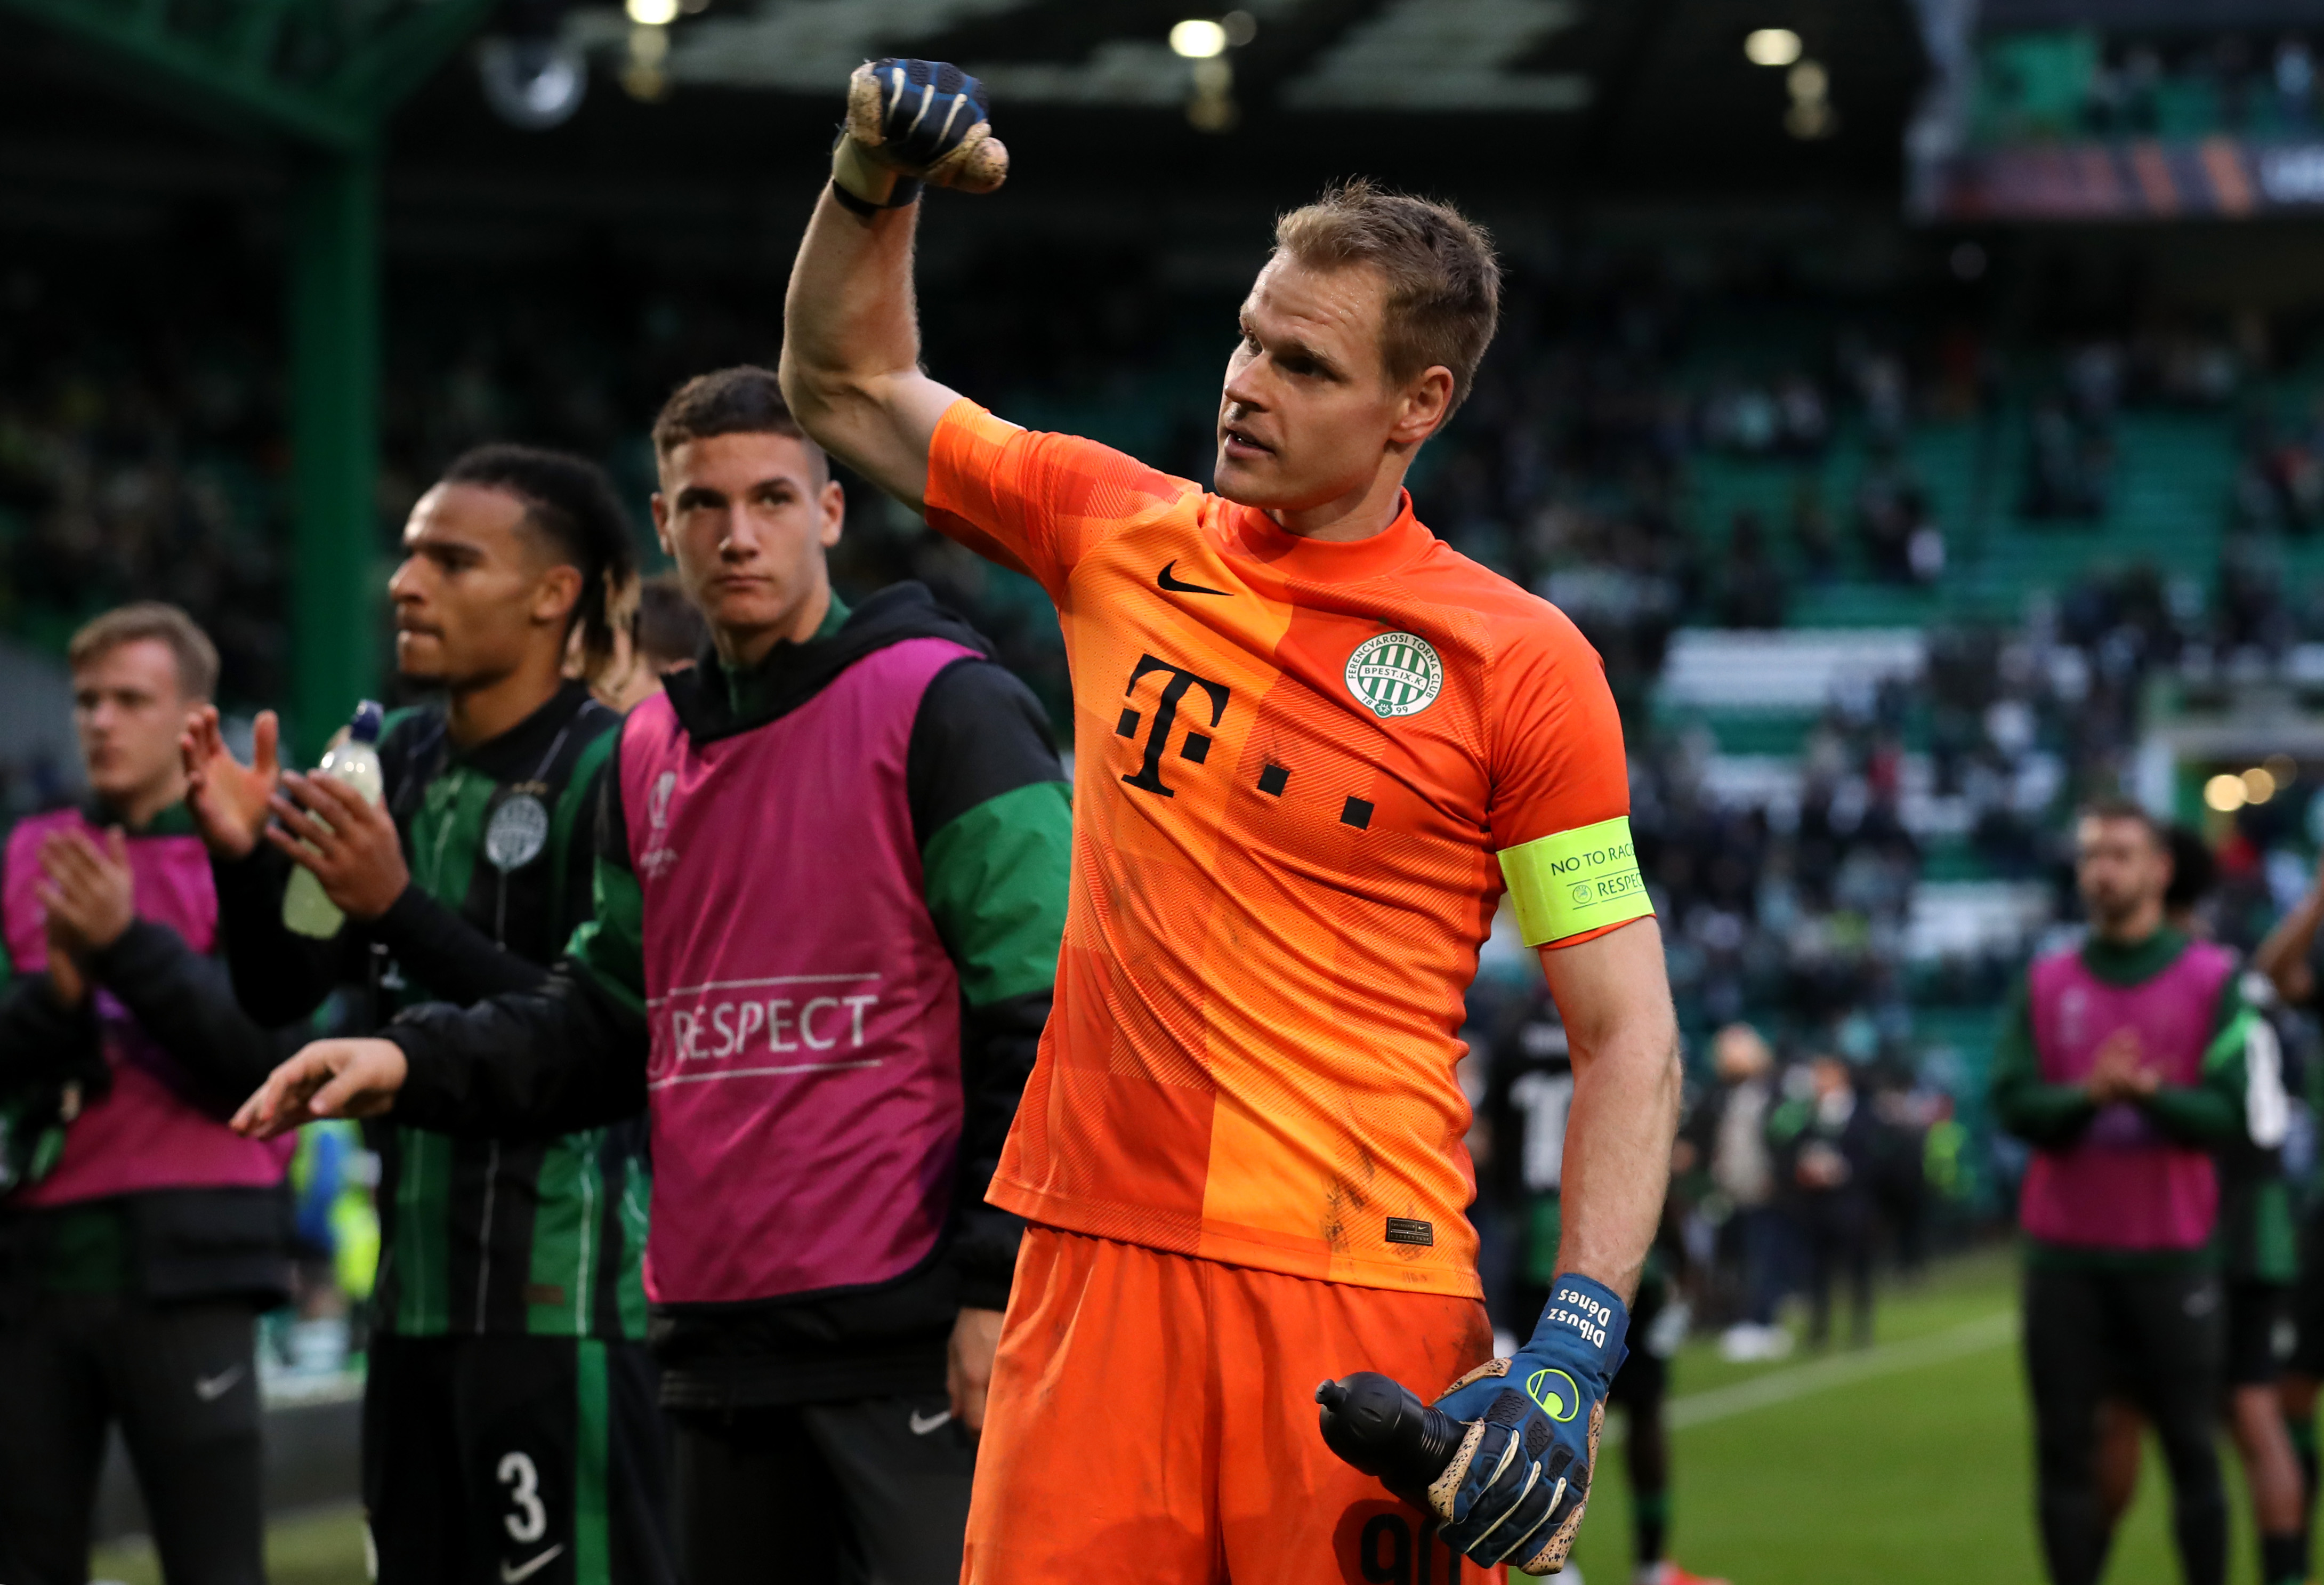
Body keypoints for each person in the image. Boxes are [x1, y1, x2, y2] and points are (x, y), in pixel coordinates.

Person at [777, 61, 1677, 1581]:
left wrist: (1575, 1351)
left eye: (1307, 366)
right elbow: (842, 387)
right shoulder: (1116, 529)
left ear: (1421, 406)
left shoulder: (1524, 666)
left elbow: (1628, 1032)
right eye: (1248, 337)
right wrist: (873, 176)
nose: (1245, 383)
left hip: (1358, 1284)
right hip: (1093, 1259)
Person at [235, 367, 1072, 1583]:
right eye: (704, 503)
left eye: (772, 497)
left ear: (830, 512)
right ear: (665, 522)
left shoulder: (946, 702)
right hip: (713, 1347)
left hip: (906, 1342)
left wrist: (1000, 1286)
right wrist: (404, 1057)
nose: (738, 533)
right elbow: (602, 1019)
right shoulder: (653, 744)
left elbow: (1042, 1011)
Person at [180, 445, 673, 1585]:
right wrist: (242, 863)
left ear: (555, 594)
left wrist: (397, 907)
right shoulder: (387, 758)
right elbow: (284, 990)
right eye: (408, 556)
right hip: (408, 1307)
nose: (406, 584)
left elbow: (597, 1039)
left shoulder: (619, 766)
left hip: (561, 1303)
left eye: (452, 561)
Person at [0, 604, 301, 1585]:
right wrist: (64, 995)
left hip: (196, 1262)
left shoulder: (256, 854)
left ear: (192, 720)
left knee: (214, 1565)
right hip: (37, 1264)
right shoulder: (33, 849)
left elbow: (268, 1059)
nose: (98, 720)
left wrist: (127, 945)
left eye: (130, 699)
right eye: (87, 699)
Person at [1992, 800, 2256, 1585]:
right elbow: (2011, 1103)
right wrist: (2087, 1097)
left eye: (2120, 854)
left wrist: (2147, 1097)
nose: (2101, 869)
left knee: (2191, 1450)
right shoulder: (2045, 982)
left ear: (2159, 869)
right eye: (2092, 854)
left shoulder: (2214, 979)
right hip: (2064, 1259)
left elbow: (2232, 1114)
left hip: (2172, 1256)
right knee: (2064, 1452)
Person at [2098, 825, 2303, 1585]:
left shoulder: (2179, 979)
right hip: (2266, 1214)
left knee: (2124, 1409)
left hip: (2191, 1218)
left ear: (2155, 877)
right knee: (2255, 1411)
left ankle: (2080, 1567)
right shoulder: (2241, 976)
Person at [1487, 991, 1727, 1585]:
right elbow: (1649, 1143)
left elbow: (1488, 1142)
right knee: (1641, 1410)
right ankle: (1650, 1566)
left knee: (1538, 1411)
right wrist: (1677, 1250)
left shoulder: (1514, 1030)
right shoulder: (1618, 1008)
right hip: (1614, 1247)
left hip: (1535, 1247)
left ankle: (1557, 1569)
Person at [1686, 1022, 1790, 1359]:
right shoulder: (1719, 1096)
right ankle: (1737, 1318)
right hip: (1728, 1192)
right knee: (1733, 1259)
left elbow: (1781, 1140)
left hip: (1763, 1191)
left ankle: (1763, 1321)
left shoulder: (1772, 1093)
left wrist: (1776, 1175)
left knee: (1765, 1256)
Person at [1766, 1054, 1879, 1349]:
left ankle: (1861, 1326)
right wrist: (1805, 1171)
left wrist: (1844, 1171)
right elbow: (1790, 1148)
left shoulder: (1863, 1113)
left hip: (1852, 1203)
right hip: (1818, 1205)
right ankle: (1820, 1329)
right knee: (1818, 1270)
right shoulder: (1807, 1113)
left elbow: (1874, 1156)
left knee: (1858, 1269)